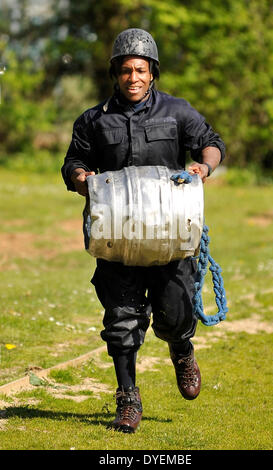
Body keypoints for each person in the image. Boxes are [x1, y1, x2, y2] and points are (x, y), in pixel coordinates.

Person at [61, 28, 225, 433]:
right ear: (115, 74)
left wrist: (203, 167)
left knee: (175, 313)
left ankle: (181, 348)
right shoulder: (94, 120)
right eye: (125, 70)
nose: (133, 77)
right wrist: (80, 177)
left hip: (170, 238)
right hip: (117, 238)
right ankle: (128, 399)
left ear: (152, 73)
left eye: (140, 70)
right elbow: (73, 163)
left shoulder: (177, 111)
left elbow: (210, 142)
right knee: (121, 321)